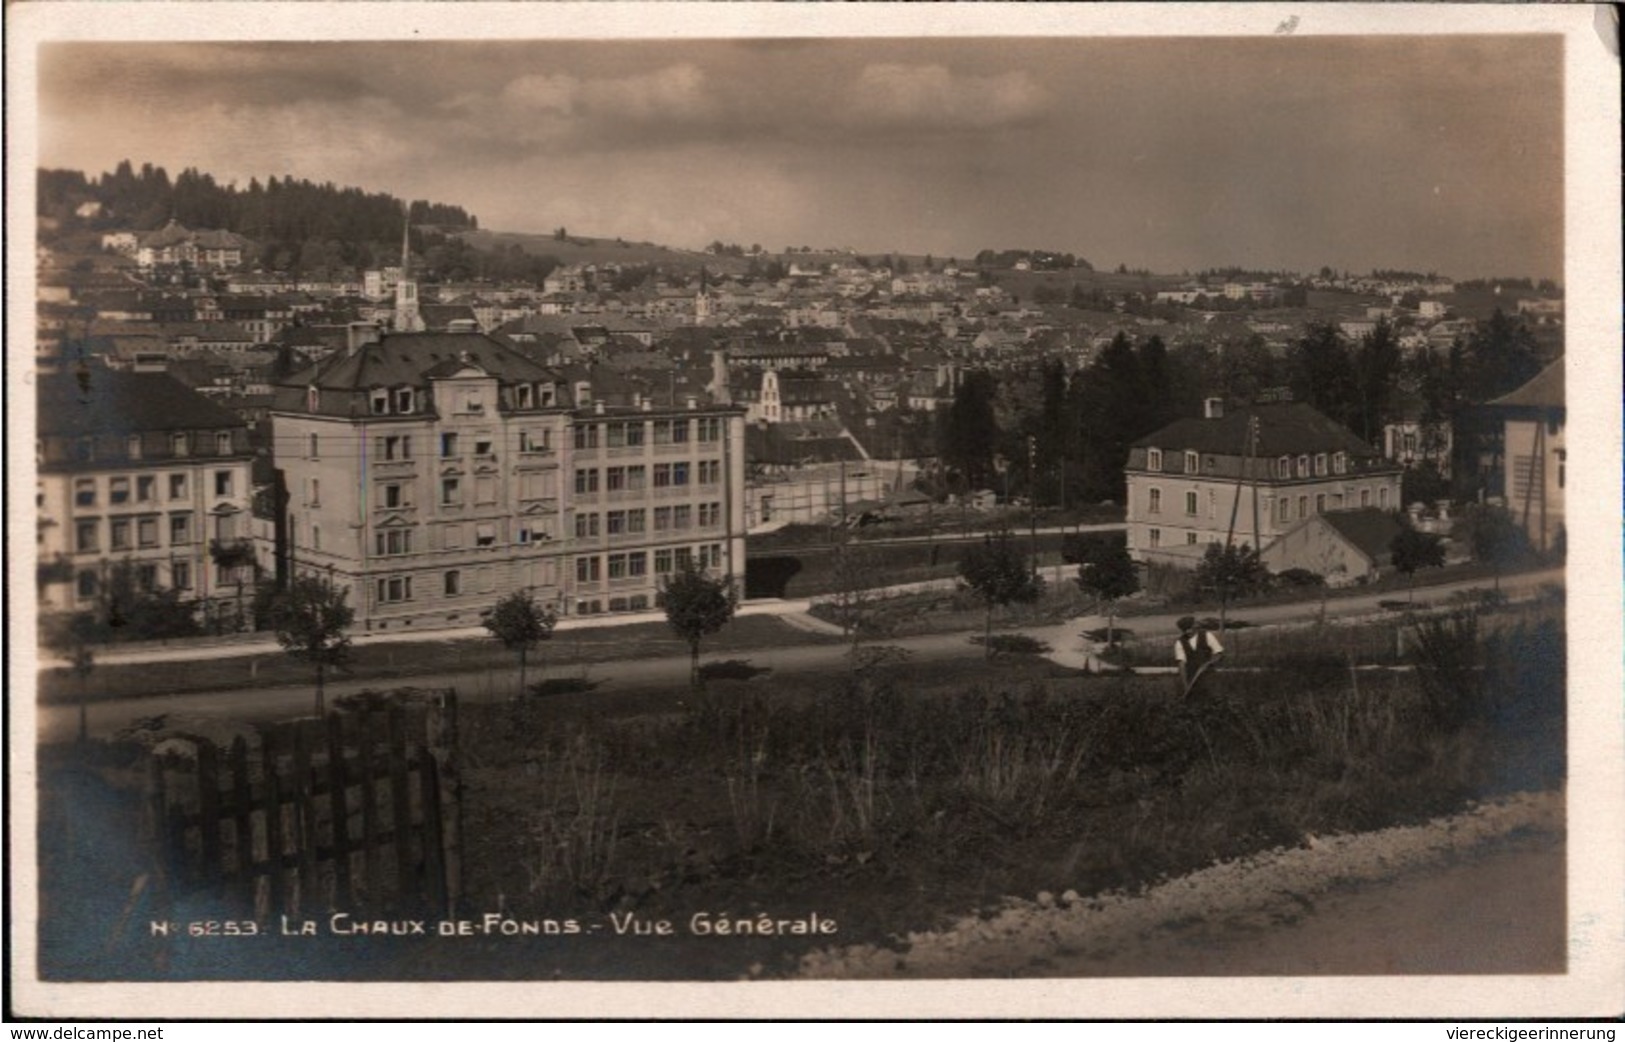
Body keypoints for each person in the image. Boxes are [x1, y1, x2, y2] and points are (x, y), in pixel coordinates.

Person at [1174, 615, 1225, 697]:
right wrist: (1186, 686)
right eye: (1185, 630)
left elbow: (1219, 653)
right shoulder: (1180, 642)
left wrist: (1209, 663)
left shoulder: (1207, 635)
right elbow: (1181, 664)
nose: (1188, 632)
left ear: (1194, 627)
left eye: (1190, 628)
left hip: (1209, 676)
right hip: (1192, 678)